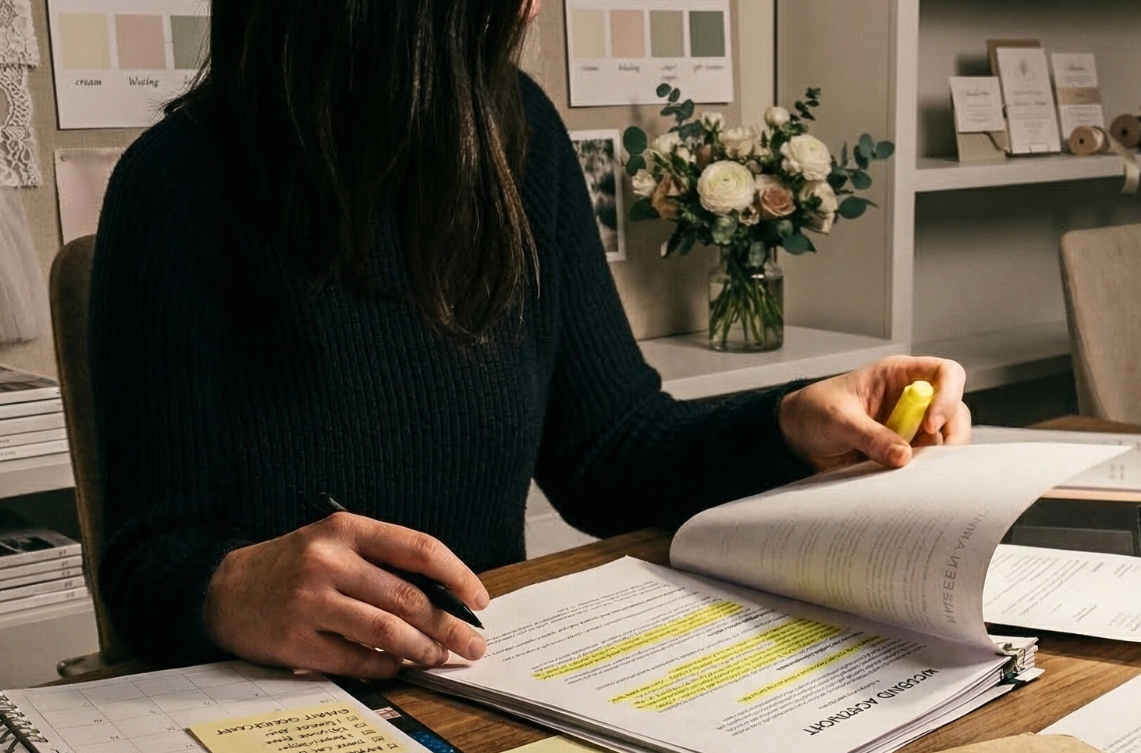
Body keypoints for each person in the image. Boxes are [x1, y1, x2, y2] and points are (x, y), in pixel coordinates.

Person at [88, 0, 970, 681]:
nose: (533, 6)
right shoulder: (175, 186)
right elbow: (144, 564)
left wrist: (790, 424)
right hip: (275, 714)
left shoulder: (514, 133)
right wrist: (231, 590)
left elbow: (608, 452)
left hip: (485, 685)